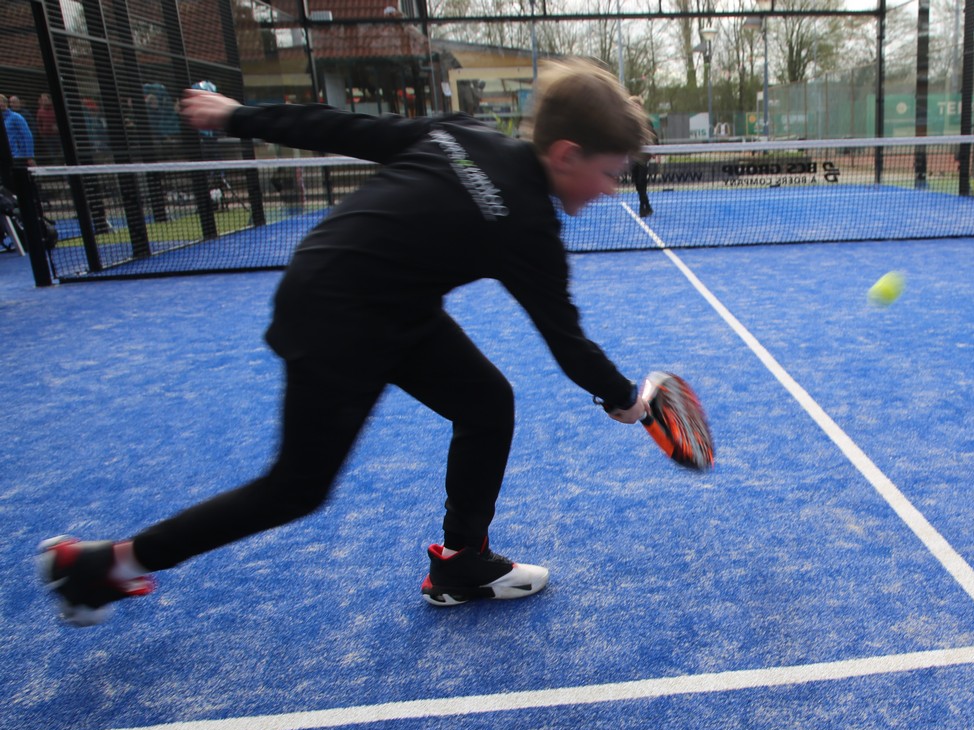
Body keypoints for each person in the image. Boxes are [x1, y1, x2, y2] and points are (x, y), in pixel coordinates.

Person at [38, 59, 653, 626]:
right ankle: (98, 567)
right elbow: (566, 338)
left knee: (487, 403)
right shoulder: (530, 226)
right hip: (337, 316)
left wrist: (236, 116)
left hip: (381, 299)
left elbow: (343, 128)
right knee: (295, 488)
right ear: (566, 154)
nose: (611, 189)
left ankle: (463, 562)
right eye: (610, 173)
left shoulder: (464, 134)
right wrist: (626, 399)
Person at [1, 94, 35, 168]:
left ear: (5, 103)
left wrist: (30, 156)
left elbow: (27, 136)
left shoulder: (16, 117)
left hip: (18, 156)